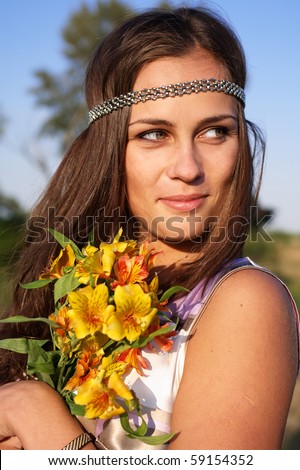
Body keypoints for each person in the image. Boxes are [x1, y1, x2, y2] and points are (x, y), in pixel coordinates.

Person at [0, 6, 299, 450]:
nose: (187, 168)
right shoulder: (81, 279)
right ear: (109, 150)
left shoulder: (245, 301)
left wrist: (37, 416)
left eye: (215, 132)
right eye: (154, 134)